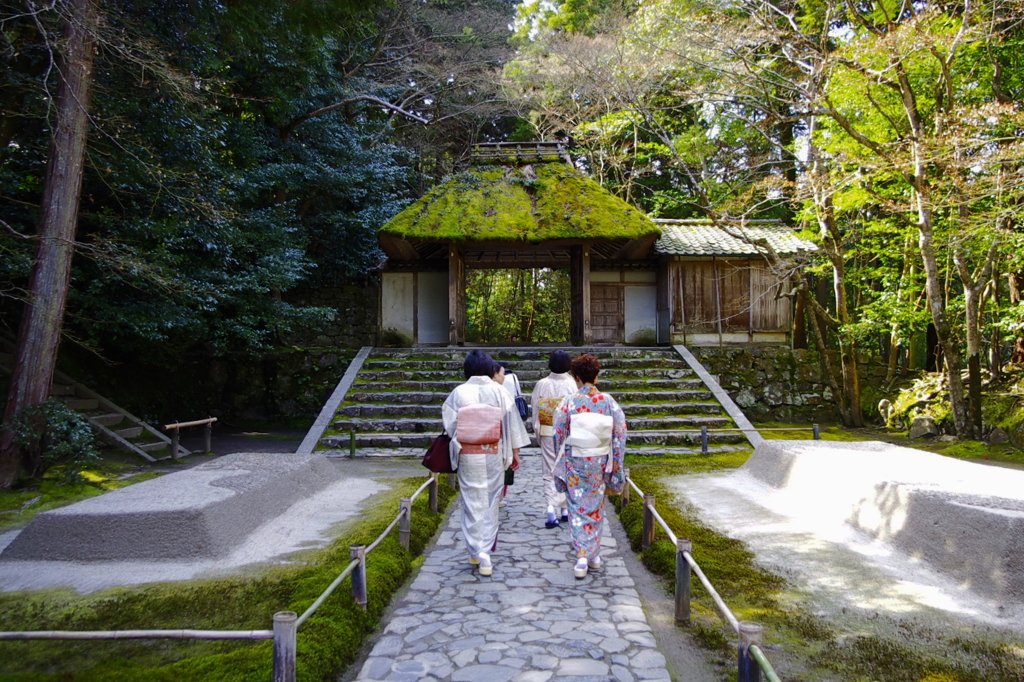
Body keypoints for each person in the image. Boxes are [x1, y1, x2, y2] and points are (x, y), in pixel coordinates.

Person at [442, 350, 530, 576]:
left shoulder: (458, 392)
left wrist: (468, 432)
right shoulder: (499, 391)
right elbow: (511, 424)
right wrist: (515, 453)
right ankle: (485, 554)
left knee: (471, 501)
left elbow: (450, 425)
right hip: (493, 452)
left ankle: (475, 550)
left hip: (467, 453)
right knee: (491, 501)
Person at [552, 353, 626, 579]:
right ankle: (593, 555)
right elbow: (620, 434)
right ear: (596, 377)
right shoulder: (608, 401)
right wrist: (616, 465)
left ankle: (582, 556)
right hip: (600, 461)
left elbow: (559, 433)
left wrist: (562, 459)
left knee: (577, 507)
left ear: (576, 377)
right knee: (595, 506)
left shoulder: (569, 402)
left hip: (576, 460)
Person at [531, 350, 576, 528]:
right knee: (566, 468)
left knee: (549, 470)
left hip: (548, 431)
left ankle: (552, 508)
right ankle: (564, 509)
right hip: (568, 432)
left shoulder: (542, 384)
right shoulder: (572, 384)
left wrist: (538, 431)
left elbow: (535, 410)